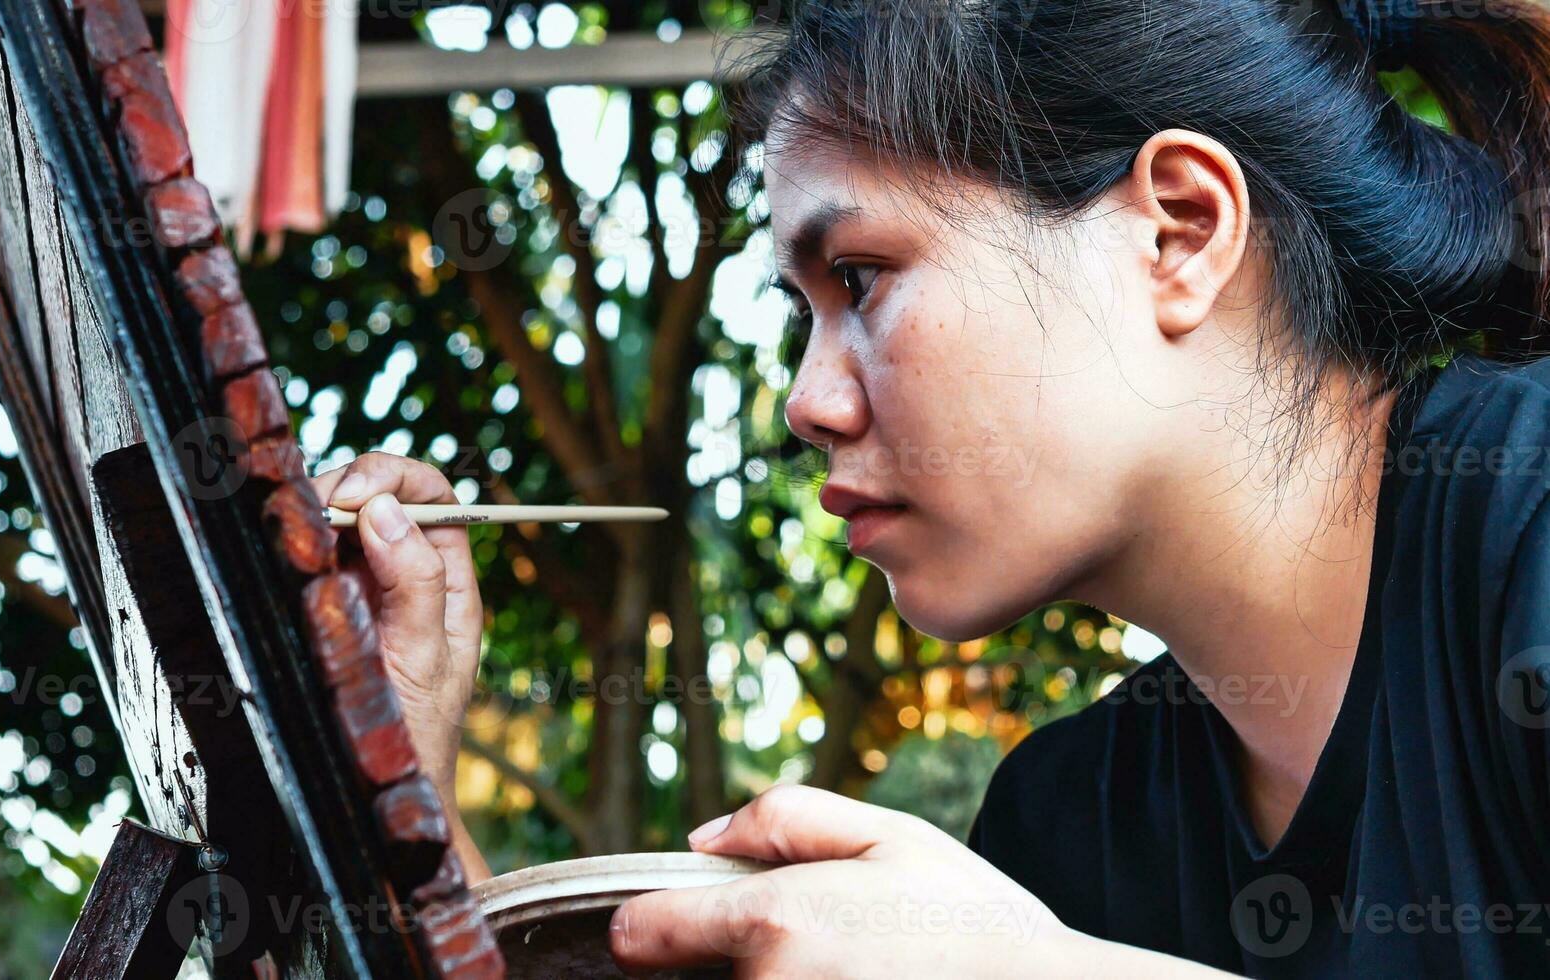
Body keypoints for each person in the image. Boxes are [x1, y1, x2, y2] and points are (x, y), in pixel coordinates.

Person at [313, 0, 1550, 974]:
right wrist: (397, 775)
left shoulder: (1526, 516)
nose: (805, 403)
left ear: (1174, 231)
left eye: (859, 275)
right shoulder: (1073, 825)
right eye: (798, 312)